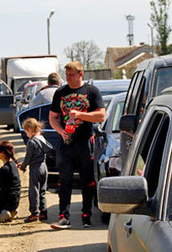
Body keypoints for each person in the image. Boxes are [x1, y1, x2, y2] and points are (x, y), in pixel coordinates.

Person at [48, 61, 106, 229]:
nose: (68, 78)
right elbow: (52, 117)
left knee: (87, 180)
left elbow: (101, 115)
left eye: (72, 75)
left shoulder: (91, 91)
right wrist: (60, 131)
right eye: (66, 75)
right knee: (64, 179)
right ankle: (63, 216)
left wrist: (80, 114)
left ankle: (86, 214)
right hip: (66, 143)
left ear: (80, 74)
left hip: (85, 141)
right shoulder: (61, 92)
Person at [19, 118, 53, 223]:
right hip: (44, 167)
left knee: (34, 191)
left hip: (35, 168)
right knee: (42, 190)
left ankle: (34, 213)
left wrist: (23, 166)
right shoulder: (42, 138)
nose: (26, 134)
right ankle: (43, 212)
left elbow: (28, 158)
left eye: (26, 131)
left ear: (29, 129)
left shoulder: (31, 142)